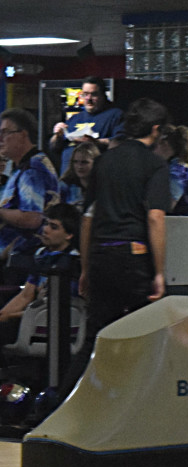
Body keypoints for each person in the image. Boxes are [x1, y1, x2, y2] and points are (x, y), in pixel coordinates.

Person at [56, 98, 171, 403]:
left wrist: (85, 267)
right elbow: (155, 217)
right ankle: (137, 409)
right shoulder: (155, 165)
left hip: (101, 255)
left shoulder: (105, 161)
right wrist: (159, 272)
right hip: (133, 256)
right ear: (157, 129)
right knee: (146, 337)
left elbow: (88, 217)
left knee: (95, 337)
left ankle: (60, 407)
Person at [0, 203, 80, 354]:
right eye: (45, 223)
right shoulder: (43, 256)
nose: (45, 229)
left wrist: (9, 317)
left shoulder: (74, 264)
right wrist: (3, 314)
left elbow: (57, 308)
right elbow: (25, 296)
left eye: (53, 227)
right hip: (30, 317)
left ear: (69, 235)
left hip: (53, 323)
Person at [0, 109, 60, 272]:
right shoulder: (24, 166)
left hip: (22, 261)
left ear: (23, 135)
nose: (0, 139)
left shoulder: (32, 169)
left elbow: (32, 218)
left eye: (6, 133)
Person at [48, 77, 124, 173]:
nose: (88, 99)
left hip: (95, 180)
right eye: (85, 94)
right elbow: (53, 148)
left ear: (103, 95)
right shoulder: (74, 118)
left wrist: (96, 142)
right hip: (67, 180)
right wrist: (57, 135)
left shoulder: (115, 115)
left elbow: (121, 143)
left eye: (94, 94)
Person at [154, 126, 188, 216]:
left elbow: (168, 206)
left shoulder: (176, 173)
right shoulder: (179, 167)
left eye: (155, 145)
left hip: (186, 224)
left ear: (164, 144)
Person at [59, 140, 100, 210]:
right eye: (75, 162)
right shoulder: (64, 186)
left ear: (96, 163)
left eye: (84, 162)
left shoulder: (103, 186)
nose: (79, 166)